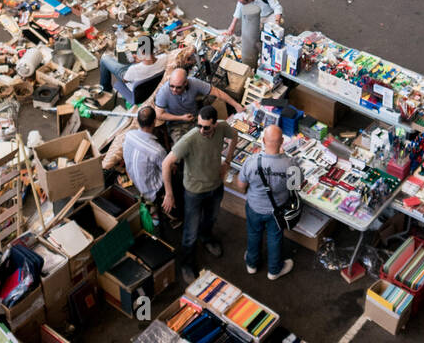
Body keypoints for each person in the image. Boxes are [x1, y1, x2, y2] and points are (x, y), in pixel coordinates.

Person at [169, 106, 237, 284]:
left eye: (206, 127)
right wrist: (169, 194)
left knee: (211, 218)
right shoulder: (190, 138)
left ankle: (207, 238)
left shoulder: (222, 127)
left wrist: (227, 161)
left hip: (215, 186)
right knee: (190, 231)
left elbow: (234, 136)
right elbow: (166, 163)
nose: (201, 130)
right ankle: (186, 264)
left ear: (215, 124)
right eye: (199, 125)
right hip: (194, 192)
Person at [233, 124, 299, 280]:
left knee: (253, 233)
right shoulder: (290, 164)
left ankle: (252, 264)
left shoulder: (251, 161)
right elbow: (295, 186)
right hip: (278, 210)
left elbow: (241, 185)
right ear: (282, 141)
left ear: (263, 140)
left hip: (254, 207)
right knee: (275, 238)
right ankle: (274, 271)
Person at [122, 105, 176, 234]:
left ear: (138, 121)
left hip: (135, 182)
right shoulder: (157, 150)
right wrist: (169, 194)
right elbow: (167, 169)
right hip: (152, 191)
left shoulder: (129, 135)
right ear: (154, 122)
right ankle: (170, 211)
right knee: (175, 170)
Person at [155, 66, 235, 134]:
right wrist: (181, 118)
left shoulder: (193, 83)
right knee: (183, 148)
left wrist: (236, 105)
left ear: (185, 83)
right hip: (176, 124)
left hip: (195, 117)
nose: (174, 90)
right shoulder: (163, 92)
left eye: (178, 87)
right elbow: (159, 114)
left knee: (213, 135)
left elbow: (217, 92)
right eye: (171, 86)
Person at [98, 39, 164, 96]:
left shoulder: (134, 69)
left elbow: (125, 80)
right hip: (151, 85)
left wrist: (135, 64)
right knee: (124, 61)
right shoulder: (164, 57)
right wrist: (141, 61)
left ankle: (105, 90)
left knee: (104, 59)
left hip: (134, 88)